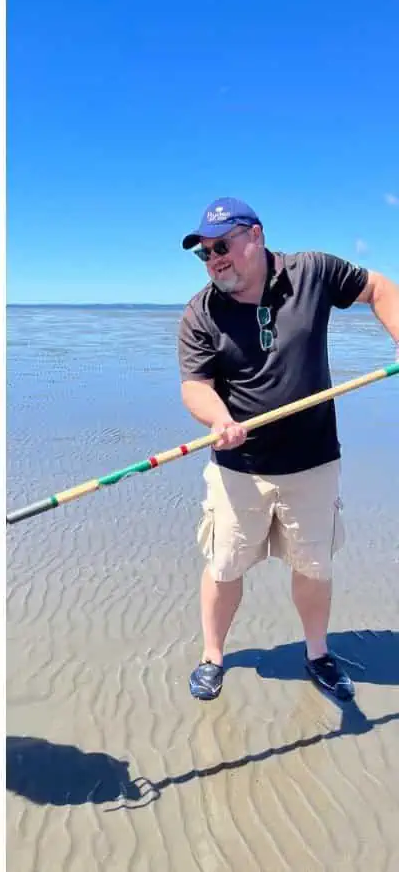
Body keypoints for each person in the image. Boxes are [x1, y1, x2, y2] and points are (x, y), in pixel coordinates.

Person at [176, 197, 399, 702]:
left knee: (313, 566)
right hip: (239, 468)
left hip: (313, 462)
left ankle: (318, 653)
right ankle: (213, 656)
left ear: (254, 235)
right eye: (205, 253)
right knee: (224, 565)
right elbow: (194, 386)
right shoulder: (201, 312)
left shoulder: (314, 272)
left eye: (222, 246)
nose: (214, 259)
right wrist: (219, 418)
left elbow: (380, 288)